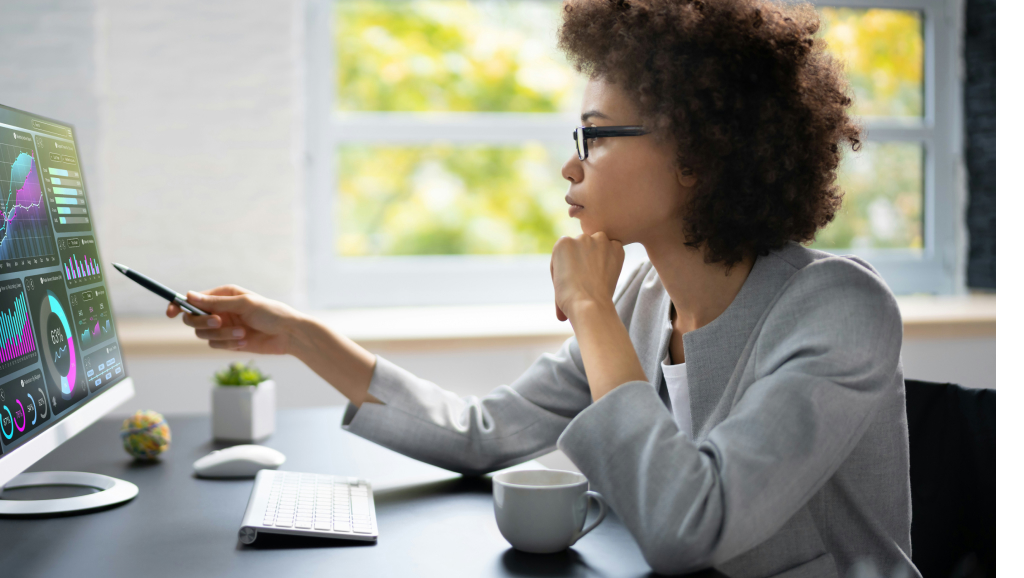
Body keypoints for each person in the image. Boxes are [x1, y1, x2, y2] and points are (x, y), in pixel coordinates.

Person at [169, 0, 917, 575]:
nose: (571, 166)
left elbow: (690, 526)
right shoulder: (646, 300)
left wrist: (589, 308)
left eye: (594, 136)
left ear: (695, 155)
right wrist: (299, 335)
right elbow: (481, 433)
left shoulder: (839, 309)